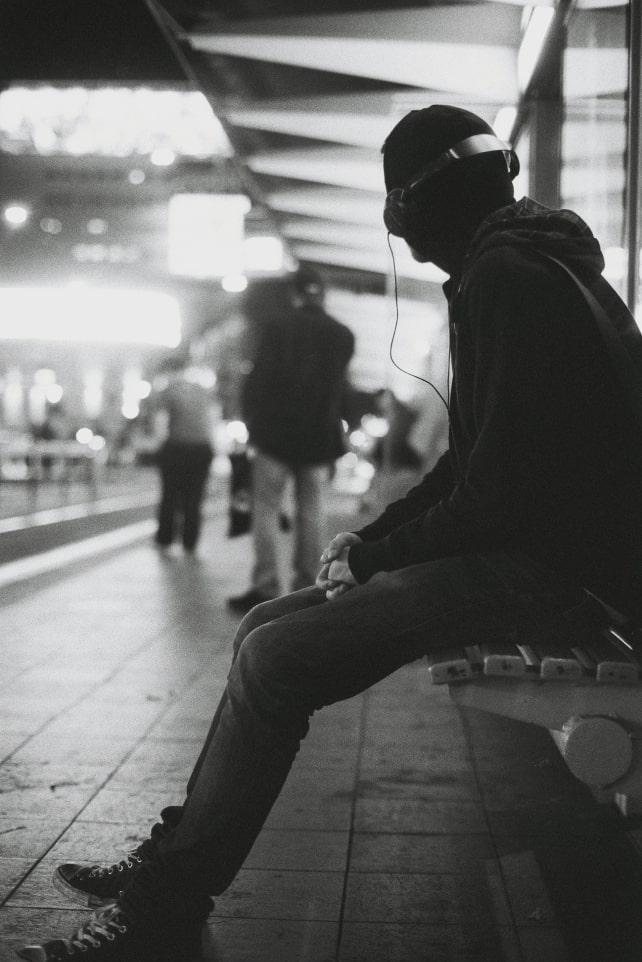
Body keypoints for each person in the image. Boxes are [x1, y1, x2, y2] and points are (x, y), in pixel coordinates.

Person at [20, 104, 642, 962]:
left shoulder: (509, 278)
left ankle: (166, 906)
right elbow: (469, 469)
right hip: (542, 554)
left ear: (420, 202)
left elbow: (494, 492)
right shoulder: (523, 264)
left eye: (399, 202)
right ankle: (174, 857)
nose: (397, 225)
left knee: (277, 662)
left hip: (558, 573)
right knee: (262, 626)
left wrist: (380, 555)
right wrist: (370, 541)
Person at [227, 268, 355, 614]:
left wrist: (251, 424)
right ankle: (307, 586)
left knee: (266, 510)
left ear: (295, 294)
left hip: (274, 434)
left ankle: (265, 585)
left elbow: (258, 380)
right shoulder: (342, 335)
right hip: (317, 436)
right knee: (310, 510)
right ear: (322, 295)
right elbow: (341, 389)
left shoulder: (278, 327)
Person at [153, 356, 214, 555]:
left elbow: (161, 421)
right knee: (194, 497)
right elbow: (212, 421)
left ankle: (165, 538)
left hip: (177, 447)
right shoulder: (204, 391)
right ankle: (190, 541)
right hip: (202, 449)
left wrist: (160, 444)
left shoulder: (170, 391)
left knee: (169, 495)